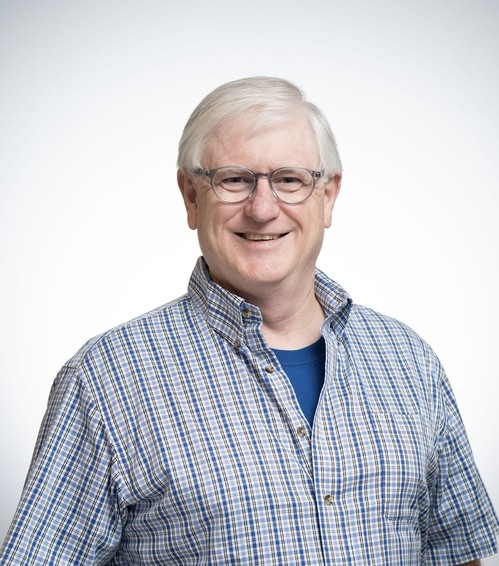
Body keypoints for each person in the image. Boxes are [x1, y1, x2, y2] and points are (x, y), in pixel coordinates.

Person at [0, 77, 497, 565]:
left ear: (328, 196)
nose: (262, 209)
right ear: (191, 197)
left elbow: (458, 555)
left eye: (289, 180)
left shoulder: (409, 362)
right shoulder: (106, 380)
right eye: (234, 180)